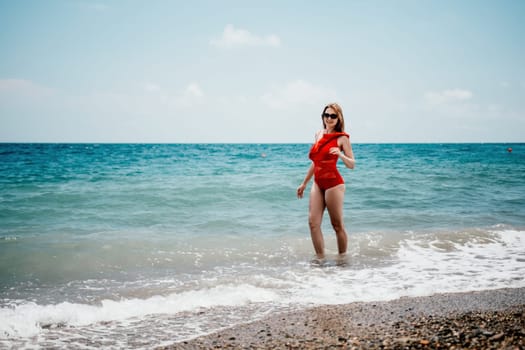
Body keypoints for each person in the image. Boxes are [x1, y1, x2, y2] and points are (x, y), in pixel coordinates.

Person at [296, 103, 355, 261]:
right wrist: (304, 183)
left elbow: (352, 165)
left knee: (337, 225)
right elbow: (316, 162)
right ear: (323, 117)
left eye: (333, 116)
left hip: (334, 184)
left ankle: (342, 261)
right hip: (317, 183)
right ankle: (320, 261)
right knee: (313, 223)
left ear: (338, 118)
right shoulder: (318, 134)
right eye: (326, 115)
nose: (329, 118)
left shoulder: (342, 138)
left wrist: (341, 155)